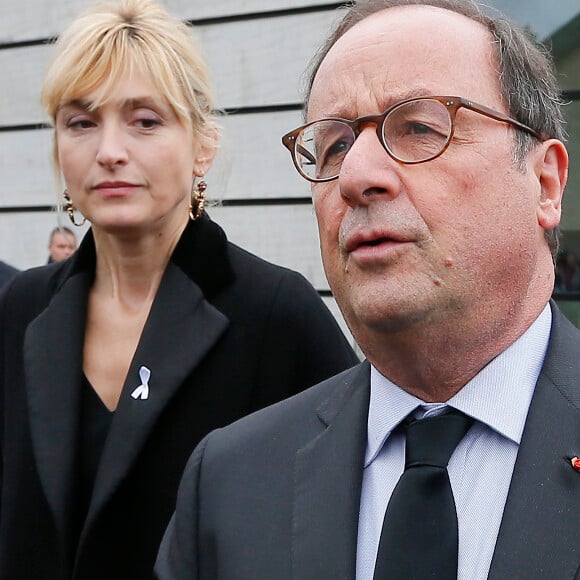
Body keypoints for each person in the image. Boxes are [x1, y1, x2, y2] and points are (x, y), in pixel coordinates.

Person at [155, 0, 579, 578]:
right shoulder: (230, 484)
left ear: (545, 183)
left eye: (421, 128)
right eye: (333, 146)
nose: (356, 175)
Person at [0, 0, 358, 578]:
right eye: (81, 121)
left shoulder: (273, 314)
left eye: (145, 120)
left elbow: (345, 519)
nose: (110, 150)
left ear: (202, 146)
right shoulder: (22, 308)